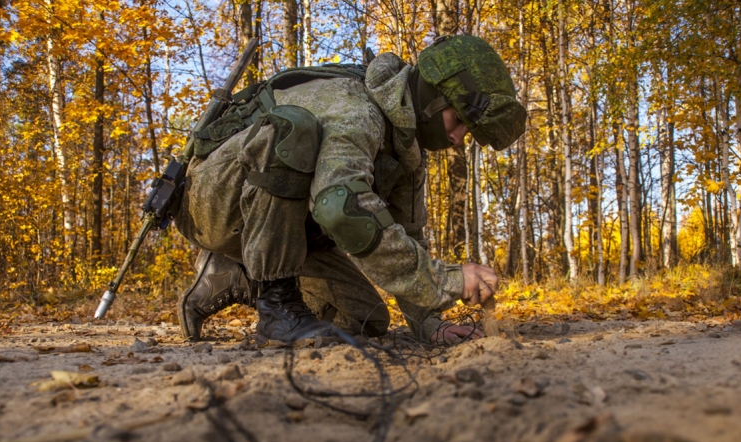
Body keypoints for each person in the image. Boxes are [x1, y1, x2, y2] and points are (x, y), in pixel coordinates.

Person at [173, 35, 527, 344]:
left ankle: (237, 274)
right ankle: (277, 305)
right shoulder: (356, 110)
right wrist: (448, 280)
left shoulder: (407, 149)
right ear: (435, 96)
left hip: (282, 233)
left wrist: (429, 323)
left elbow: (409, 235)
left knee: (365, 319)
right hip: (213, 203)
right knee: (292, 135)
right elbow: (340, 208)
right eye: (459, 121)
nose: (456, 138)